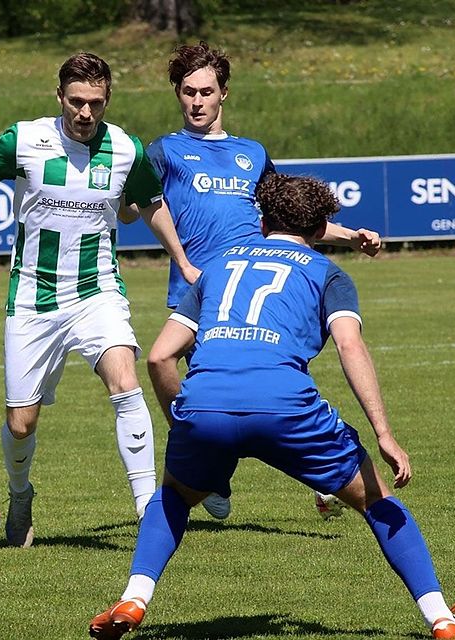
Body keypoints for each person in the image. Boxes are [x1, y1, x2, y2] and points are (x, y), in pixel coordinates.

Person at [89, 174, 455, 639]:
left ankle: (134, 598)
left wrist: (183, 421)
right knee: (377, 500)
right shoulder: (327, 272)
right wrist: (385, 434)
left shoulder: (218, 265)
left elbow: (158, 357)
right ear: (318, 229)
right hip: (285, 406)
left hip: (206, 402)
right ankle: (442, 620)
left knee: (172, 496)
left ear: (263, 219)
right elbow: (350, 348)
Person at [0, 52, 190, 547]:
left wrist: (183, 262)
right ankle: (20, 495)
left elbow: (151, 205)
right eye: (76, 101)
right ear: (59, 97)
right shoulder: (25, 139)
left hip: (97, 290)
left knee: (124, 379)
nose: (85, 112)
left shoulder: (125, 148)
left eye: (95, 103)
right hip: (34, 298)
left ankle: (149, 511)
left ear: (107, 101)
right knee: (21, 423)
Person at [138, 41, 381, 521]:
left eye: (206, 91)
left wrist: (351, 236)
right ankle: (204, 468)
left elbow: (289, 215)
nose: (197, 102)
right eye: (188, 92)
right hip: (202, 294)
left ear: (223, 93)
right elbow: (142, 206)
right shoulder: (164, 152)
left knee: (283, 386)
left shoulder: (252, 154)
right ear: (177, 94)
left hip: (267, 290)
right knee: (205, 394)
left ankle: (324, 472)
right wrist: (183, 261)